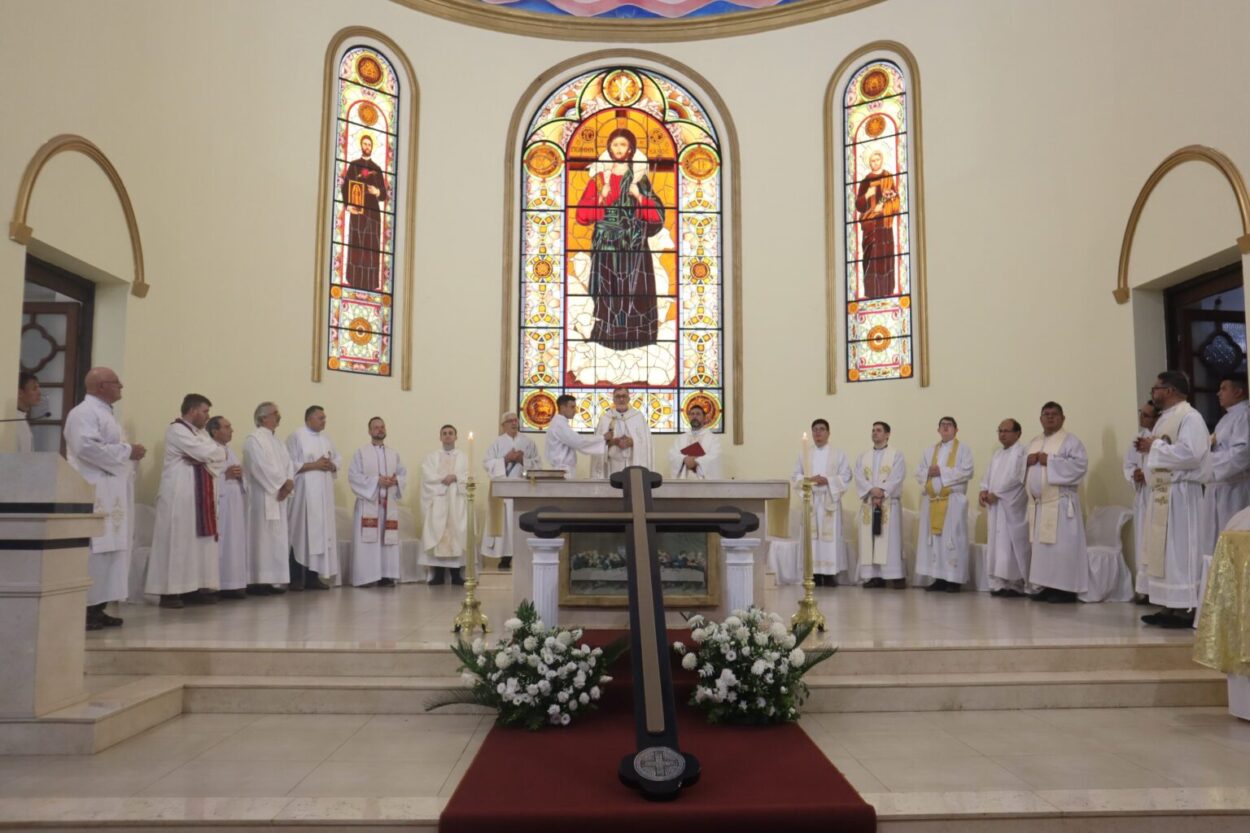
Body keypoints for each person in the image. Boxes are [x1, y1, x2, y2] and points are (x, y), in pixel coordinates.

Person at [64, 367, 145, 630]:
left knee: (112, 549)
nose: (121, 385)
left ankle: (98, 607)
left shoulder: (104, 413)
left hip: (111, 491)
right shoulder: (83, 413)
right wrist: (128, 450)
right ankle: (85, 608)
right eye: (115, 382)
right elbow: (85, 447)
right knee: (95, 549)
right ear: (100, 386)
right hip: (94, 490)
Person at [575, 127, 664, 350]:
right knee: (607, 289)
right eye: (615, 145)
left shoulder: (639, 178)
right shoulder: (598, 178)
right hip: (606, 243)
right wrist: (601, 197)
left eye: (623, 145)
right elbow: (582, 216)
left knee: (633, 291)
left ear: (631, 149)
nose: (619, 149)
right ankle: (606, 333)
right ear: (609, 148)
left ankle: (637, 335)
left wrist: (639, 197)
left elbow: (657, 217)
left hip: (632, 244)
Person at [1139, 371, 1209, 628]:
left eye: (1155, 388)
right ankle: (1168, 604)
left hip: (1181, 495)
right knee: (1165, 553)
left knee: (1181, 551)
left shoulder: (1190, 417)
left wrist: (1153, 448)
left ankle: (1186, 607)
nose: (1153, 393)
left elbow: (1191, 453)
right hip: (1162, 493)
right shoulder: (1164, 419)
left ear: (1169, 390)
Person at [146, 394, 228, 608]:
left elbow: (221, 454)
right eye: (205, 411)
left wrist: (207, 457)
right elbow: (205, 452)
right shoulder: (177, 430)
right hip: (178, 496)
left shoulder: (200, 434)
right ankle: (169, 592)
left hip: (199, 496)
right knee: (178, 542)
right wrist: (208, 456)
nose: (207, 417)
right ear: (192, 411)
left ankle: (193, 587)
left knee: (196, 543)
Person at [1024, 402, 1089, 603]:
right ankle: (1046, 585)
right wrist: (1026, 461)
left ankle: (1065, 589)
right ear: (1040, 418)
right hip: (1040, 505)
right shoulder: (1034, 442)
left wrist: (1049, 461)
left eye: (1054, 414)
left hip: (1060, 504)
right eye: (1046, 414)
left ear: (1062, 418)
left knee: (1061, 548)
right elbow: (1019, 468)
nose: (1050, 417)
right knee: (1043, 550)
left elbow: (1079, 466)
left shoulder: (1071, 442)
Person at [915, 416, 974, 592]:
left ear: (956, 430)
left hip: (953, 502)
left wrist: (941, 471)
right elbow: (918, 472)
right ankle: (938, 577)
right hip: (932, 502)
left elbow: (967, 471)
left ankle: (954, 580)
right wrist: (928, 471)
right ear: (938, 430)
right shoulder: (929, 451)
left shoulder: (964, 449)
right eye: (943, 425)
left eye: (949, 425)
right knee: (935, 541)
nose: (946, 428)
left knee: (953, 539)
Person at [348, 417, 407, 587]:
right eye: (376, 427)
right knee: (370, 541)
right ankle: (367, 576)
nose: (380, 430)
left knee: (387, 540)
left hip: (388, 505)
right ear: (369, 431)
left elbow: (403, 474)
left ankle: (386, 575)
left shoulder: (393, 453)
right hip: (369, 503)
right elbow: (353, 476)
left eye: (382, 427)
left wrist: (396, 481)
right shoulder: (361, 452)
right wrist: (376, 481)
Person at [793, 419, 853, 587]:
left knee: (829, 539)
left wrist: (828, 480)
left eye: (822, 429)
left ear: (828, 433)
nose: (818, 433)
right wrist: (810, 479)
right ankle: (813, 574)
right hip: (811, 501)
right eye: (815, 430)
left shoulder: (838, 454)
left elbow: (846, 475)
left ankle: (829, 574)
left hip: (829, 501)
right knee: (812, 539)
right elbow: (795, 476)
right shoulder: (804, 453)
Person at [287, 405, 340, 590]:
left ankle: (313, 576)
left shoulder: (326, 439)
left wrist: (332, 465)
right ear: (309, 419)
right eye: (320, 418)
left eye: (324, 418)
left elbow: (338, 459)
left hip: (323, 495)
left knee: (319, 535)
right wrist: (315, 464)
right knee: (301, 533)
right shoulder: (296, 436)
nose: (324, 421)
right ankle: (295, 577)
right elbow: (289, 464)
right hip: (304, 494)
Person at [243, 402, 293, 595]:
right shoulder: (253, 440)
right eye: (275, 413)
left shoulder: (278, 441)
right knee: (261, 537)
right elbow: (259, 467)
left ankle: (273, 579)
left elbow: (289, 464)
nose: (278, 416)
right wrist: (280, 485)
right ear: (263, 418)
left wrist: (288, 483)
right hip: (262, 496)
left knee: (276, 538)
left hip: (279, 496)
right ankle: (257, 580)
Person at [1202, 373, 1250, 566]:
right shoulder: (1227, 418)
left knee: (1232, 537)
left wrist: (1209, 464)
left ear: (1238, 391)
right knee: (1213, 540)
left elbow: (1242, 453)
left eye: (1224, 388)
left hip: (1234, 488)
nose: (1218, 393)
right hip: (1217, 487)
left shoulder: (1245, 415)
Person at [481, 412, 539, 569]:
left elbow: (537, 464)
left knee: (519, 522)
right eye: (510, 421)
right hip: (503, 492)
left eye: (515, 421)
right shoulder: (496, 443)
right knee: (505, 524)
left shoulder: (528, 442)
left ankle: (522, 557)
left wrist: (522, 460)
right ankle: (505, 558)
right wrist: (505, 459)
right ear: (503, 425)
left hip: (522, 489)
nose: (514, 423)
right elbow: (487, 463)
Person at [980, 419, 1030, 597]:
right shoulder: (998, 455)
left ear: (1018, 433)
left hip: (1011, 506)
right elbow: (987, 476)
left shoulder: (1021, 453)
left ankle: (1015, 583)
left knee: (1011, 543)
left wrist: (998, 493)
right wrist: (984, 490)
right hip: (996, 506)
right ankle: (999, 583)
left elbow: (1017, 478)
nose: (1002, 434)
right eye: (999, 431)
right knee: (997, 543)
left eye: (1006, 431)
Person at [855, 421, 906, 588]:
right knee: (871, 540)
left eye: (878, 430)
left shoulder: (896, 455)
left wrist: (882, 492)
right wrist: (872, 491)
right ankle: (875, 576)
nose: (874, 433)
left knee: (889, 540)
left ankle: (895, 575)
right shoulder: (863, 456)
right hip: (870, 502)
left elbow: (897, 476)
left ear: (887, 434)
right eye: (873, 430)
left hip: (888, 502)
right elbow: (859, 477)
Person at [421, 424, 468, 585]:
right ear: (440, 437)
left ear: (456, 437)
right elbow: (427, 476)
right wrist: (443, 479)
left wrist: (456, 477)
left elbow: (468, 475)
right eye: (444, 433)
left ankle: (456, 574)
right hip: (439, 500)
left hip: (456, 501)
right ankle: (438, 574)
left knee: (456, 534)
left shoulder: (463, 457)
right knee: (438, 533)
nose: (448, 436)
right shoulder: (432, 457)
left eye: (451, 433)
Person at [341, 133, 389, 291]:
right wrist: (348, 206)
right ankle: (354, 280)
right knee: (357, 245)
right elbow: (345, 186)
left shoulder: (377, 169)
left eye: (370, 144)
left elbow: (384, 193)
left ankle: (370, 283)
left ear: (372, 147)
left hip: (373, 215)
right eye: (365, 144)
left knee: (371, 247)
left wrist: (376, 191)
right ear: (361, 146)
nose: (367, 147)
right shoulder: (354, 166)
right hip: (358, 213)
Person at [208, 415, 249, 600]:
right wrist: (226, 476)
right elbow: (208, 478)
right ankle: (218, 584)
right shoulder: (209, 450)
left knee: (235, 542)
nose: (231, 430)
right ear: (214, 431)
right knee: (221, 542)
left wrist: (241, 476)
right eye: (226, 426)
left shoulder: (229, 451)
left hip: (234, 502)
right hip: (220, 503)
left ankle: (234, 583)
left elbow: (241, 475)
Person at [1124, 400, 1159, 603]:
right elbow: (1128, 464)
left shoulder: (1161, 438)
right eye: (1141, 413)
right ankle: (1143, 589)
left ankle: (1156, 589)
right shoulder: (1138, 438)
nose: (1141, 418)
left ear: (1156, 417)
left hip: (1158, 494)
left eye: (1146, 415)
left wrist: (1147, 473)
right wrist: (1133, 474)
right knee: (1142, 541)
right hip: (1143, 496)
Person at [854, 149, 901, 299]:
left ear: (881, 160)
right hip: (871, 226)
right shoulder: (865, 181)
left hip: (885, 225)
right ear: (869, 162)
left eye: (877, 160)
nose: (875, 163)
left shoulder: (888, 177)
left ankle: (887, 291)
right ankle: (871, 292)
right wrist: (867, 195)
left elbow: (896, 200)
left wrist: (891, 198)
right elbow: (859, 206)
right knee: (870, 258)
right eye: (872, 161)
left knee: (886, 257)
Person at [592, 386, 652, 478]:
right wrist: (612, 442)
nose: (621, 399)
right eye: (618, 396)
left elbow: (646, 442)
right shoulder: (606, 418)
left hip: (633, 461)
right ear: (613, 399)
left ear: (629, 398)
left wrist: (632, 442)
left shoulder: (638, 417)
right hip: (613, 463)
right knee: (614, 489)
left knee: (633, 489)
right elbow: (598, 443)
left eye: (624, 396)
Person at [545, 394, 608, 477]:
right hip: (562, 471)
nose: (575, 411)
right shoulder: (559, 424)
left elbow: (576, 440)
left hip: (564, 469)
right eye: (572, 407)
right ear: (563, 407)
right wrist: (603, 438)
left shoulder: (560, 423)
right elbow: (578, 441)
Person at [669, 403, 722, 480]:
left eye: (698, 414)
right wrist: (684, 459)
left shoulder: (713, 439)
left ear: (704, 418)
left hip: (704, 484)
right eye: (692, 414)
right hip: (684, 482)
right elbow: (672, 455)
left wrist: (697, 461)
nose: (694, 416)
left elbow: (715, 456)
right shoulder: (680, 438)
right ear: (689, 417)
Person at [14, 371, 39, 452]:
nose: (39, 392)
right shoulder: (12, 420)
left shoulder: (21, 418)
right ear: (20, 393)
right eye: (34, 388)